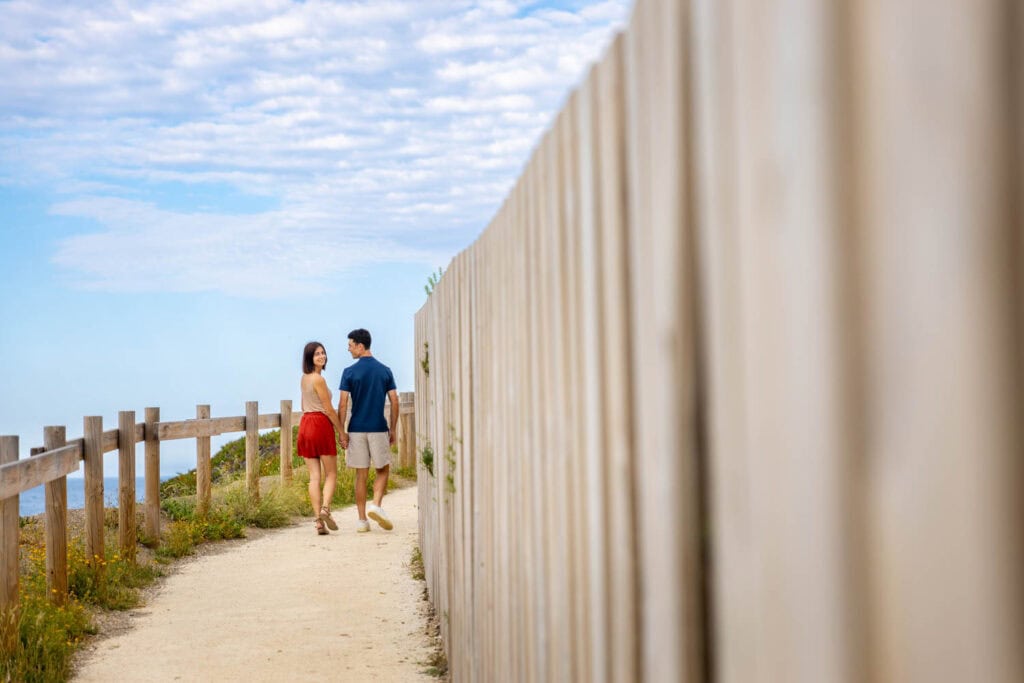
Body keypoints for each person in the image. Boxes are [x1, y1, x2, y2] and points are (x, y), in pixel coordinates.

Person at [337, 328, 399, 532]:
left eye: (351, 346)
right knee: (383, 469)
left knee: (360, 475)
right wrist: (393, 428)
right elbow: (394, 400)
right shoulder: (385, 370)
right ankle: (376, 505)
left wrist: (342, 432)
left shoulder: (349, 372)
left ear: (360, 346)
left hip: (356, 429)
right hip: (378, 428)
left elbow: (343, 404)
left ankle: (362, 521)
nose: (349, 350)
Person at [296, 341, 345, 535]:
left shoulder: (304, 378)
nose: (321, 356)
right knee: (331, 474)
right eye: (317, 354)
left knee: (314, 477)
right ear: (309, 358)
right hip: (320, 424)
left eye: (323, 353)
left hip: (305, 424)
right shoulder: (318, 379)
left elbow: (303, 405)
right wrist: (341, 432)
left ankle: (318, 521)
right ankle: (325, 509)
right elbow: (329, 410)